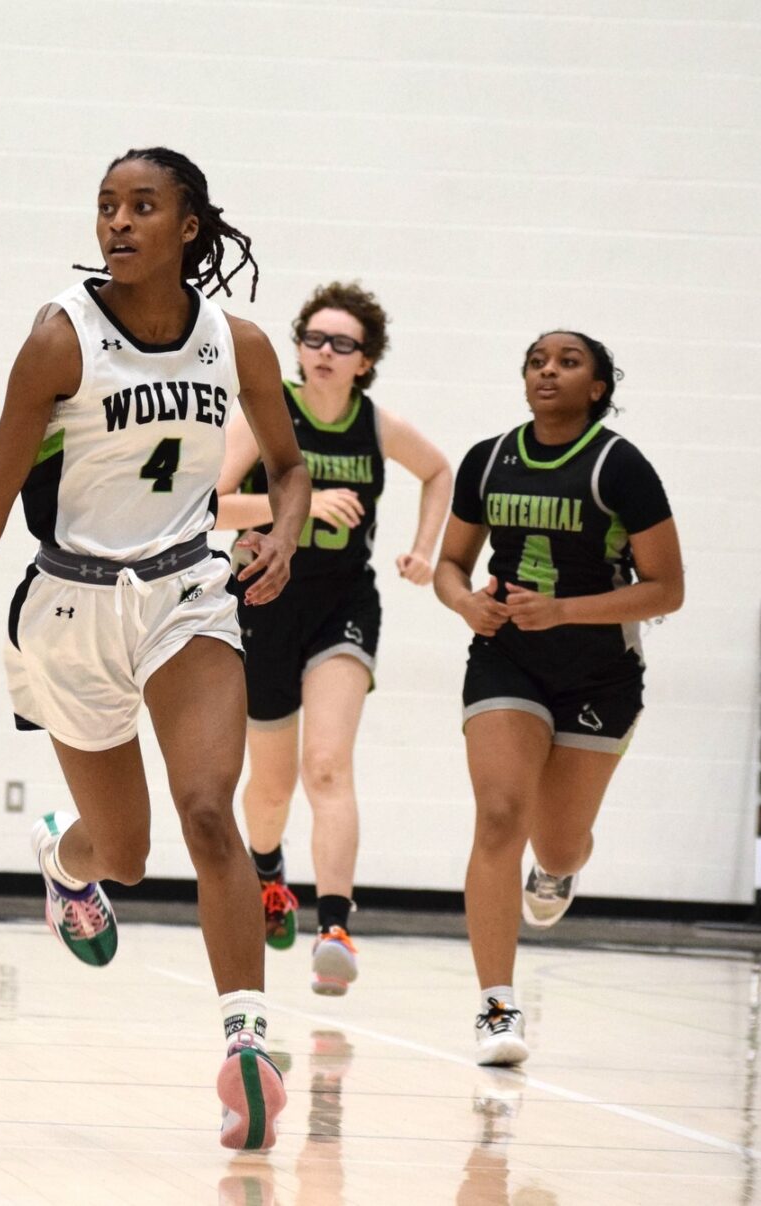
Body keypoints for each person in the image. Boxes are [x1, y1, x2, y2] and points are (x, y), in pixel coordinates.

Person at [0, 146, 311, 1149]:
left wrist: (285, 530)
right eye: (106, 206)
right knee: (129, 856)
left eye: (143, 206)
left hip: (186, 592)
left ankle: (245, 1048)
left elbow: (290, 464)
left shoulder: (241, 344)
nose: (118, 223)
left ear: (188, 226)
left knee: (207, 815)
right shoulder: (61, 339)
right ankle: (68, 861)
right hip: (68, 607)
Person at [434, 331, 682, 1065]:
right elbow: (451, 564)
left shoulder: (621, 467)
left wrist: (566, 610)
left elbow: (667, 588)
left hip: (600, 672)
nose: (549, 370)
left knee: (556, 840)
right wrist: (463, 604)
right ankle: (496, 1008)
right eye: (538, 360)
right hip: (508, 658)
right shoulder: (489, 458)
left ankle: (560, 867)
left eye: (569, 362)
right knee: (501, 812)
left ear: (599, 387)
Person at [215, 281, 452, 995]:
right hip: (262, 601)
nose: (323, 351)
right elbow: (212, 506)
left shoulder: (376, 424)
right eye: (313, 338)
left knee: (326, 765)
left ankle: (337, 927)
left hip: (343, 604)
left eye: (341, 343)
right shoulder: (265, 415)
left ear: (365, 362)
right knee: (270, 789)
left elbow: (440, 471)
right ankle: (266, 873)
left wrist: (422, 549)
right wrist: (301, 499)